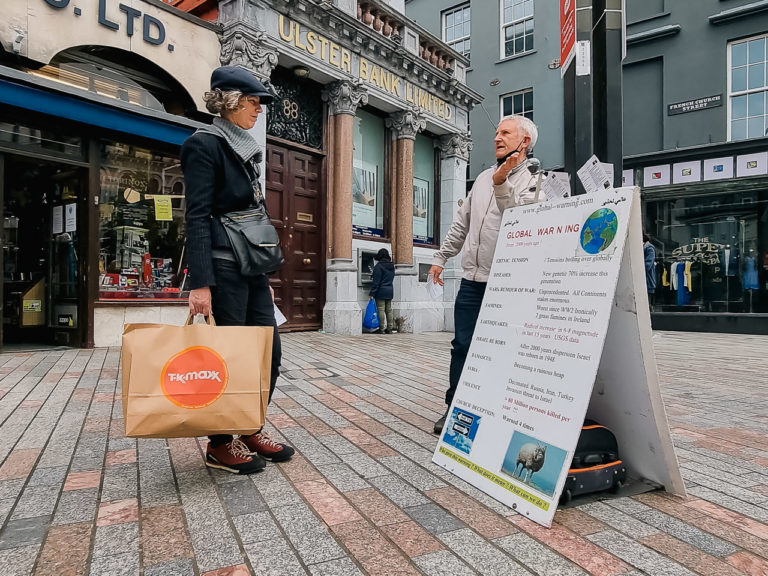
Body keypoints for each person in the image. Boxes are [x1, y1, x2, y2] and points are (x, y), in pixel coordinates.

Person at [181, 65, 294, 474]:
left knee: (268, 354)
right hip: (222, 269)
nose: (258, 110)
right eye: (252, 102)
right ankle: (219, 443)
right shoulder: (204, 145)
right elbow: (195, 217)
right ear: (228, 101)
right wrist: (201, 284)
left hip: (251, 270)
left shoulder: (244, 147)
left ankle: (249, 426)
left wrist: (264, 267)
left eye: (259, 103)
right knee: (225, 357)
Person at [429, 115, 541, 434]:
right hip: (472, 283)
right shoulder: (481, 178)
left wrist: (503, 183)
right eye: (496, 133)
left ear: (525, 142)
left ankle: (497, 409)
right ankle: (454, 408)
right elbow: (462, 224)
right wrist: (440, 257)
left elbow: (523, 224)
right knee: (462, 346)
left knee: (501, 349)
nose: (497, 138)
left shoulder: (535, 177)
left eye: (505, 132)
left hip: (508, 285)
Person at [369, 248, 395, 334]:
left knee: (380, 309)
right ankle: (390, 328)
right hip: (390, 290)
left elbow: (376, 282)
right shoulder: (392, 266)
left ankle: (381, 328)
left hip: (381, 291)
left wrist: (372, 293)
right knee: (388, 310)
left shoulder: (379, 266)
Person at [643, 232, 656, 311]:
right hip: (644, 281)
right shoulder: (645, 247)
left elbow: (648, 264)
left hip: (648, 281)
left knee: (647, 305)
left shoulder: (649, 248)